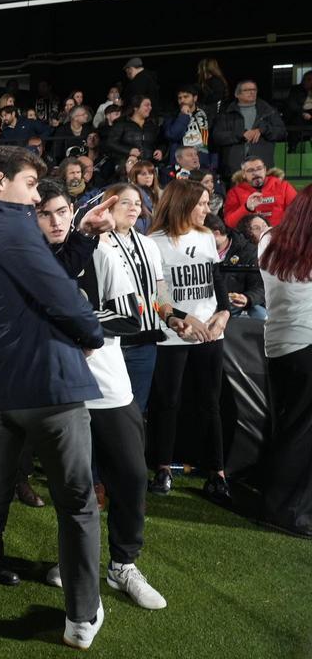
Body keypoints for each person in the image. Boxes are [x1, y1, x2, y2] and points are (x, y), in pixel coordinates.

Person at [0, 146, 109, 655]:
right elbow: (60, 293)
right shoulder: (13, 225)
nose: (37, 195)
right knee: (78, 504)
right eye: (31, 184)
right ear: (0, 181)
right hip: (51, 388)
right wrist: (91, 334)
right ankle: (81, 619)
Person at [34, 180, 167, 610]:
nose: (55, 221)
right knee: (74, 488)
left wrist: (77, 321)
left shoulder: (102, 253)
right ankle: (74, 560)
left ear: (72, 211)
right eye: (44, 213)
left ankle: (123, 564)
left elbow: (132, 316)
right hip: (60, 391)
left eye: (60, 212)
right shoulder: (30, 261)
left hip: (110, 387)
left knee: (130, 476)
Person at [146, 180, 232, 503]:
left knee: (211, 402)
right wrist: (182, 317)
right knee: (167, 402)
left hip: (211, 331)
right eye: (202, 204)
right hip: (173, 333)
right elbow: (157, 292)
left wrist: (224, 313)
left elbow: (217, 278)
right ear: (183, 204)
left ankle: (217, 473)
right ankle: (163, 468)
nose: (207, 210)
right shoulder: (153, 242)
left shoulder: (207, 236)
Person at [257, 185, 312, 538]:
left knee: (290, 428)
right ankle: (288, 511)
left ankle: (280, 504)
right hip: (307, 343)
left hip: (278, 346)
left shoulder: (269, 240)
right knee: (301, 434)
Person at [101, 183, 167, 412]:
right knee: (108, 412)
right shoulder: (96, 244)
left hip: (144, 341)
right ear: (108, 206)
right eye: (125, 202)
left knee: (138, 410)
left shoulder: (149, 245)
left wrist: (174, 317)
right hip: (111, 341)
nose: (133, 208)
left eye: (137, 203)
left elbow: (160, 290)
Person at [207, 213, 266, 320]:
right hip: (207, 306)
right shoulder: (197, 252)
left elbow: (260, 287)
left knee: (260, 315)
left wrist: (247, 298)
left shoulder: (248, 251)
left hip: (238, 308)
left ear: (216, 234)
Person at [223, 156, 298, 230]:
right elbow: (230, 223)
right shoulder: (235, 192)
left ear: (265, 170)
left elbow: (298, 212)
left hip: (279, 236)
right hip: (249, 240)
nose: (256, 173)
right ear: (243, 174)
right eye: (250, 170)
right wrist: (247, 208)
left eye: (259, 169)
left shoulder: (283, 186)